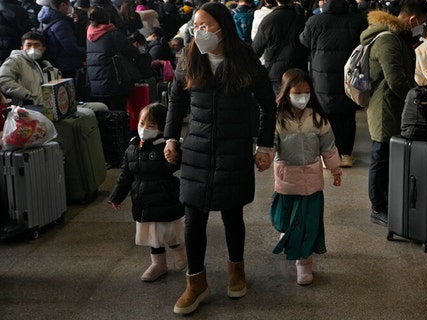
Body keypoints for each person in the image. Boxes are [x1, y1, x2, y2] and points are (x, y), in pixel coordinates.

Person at [162, 2, 276, 315]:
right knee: (194, 217)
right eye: (196, 25)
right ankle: (195, 282)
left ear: (223, 27)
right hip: (196, 148)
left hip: (234, 147)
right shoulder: (189, 56)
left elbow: (269, 104)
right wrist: (170, 138)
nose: (199, 32)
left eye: (206, 25)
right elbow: (176, 101)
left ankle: (236, 269)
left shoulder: (244, 57)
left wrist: (265, 146)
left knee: (231, 214)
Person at [270, 68, 342, 285]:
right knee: (283, 219)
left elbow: (328, 147)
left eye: (307, 92)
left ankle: (304, 264)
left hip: (311, 182)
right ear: (286, 92)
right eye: (297, 92)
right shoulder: (278, 119)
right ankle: (287, 233)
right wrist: (263, 157)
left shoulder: (318, 119)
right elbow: (270, 145)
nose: (302, 97)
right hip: (286, 180)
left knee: (307, 226)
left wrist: (336, 170)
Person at [361, 0, 427, 226]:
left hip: (394, 106)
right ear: (413, 20)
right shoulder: (389, 39)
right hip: (384, 108)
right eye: (422, 23)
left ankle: (386, 202)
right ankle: (377, 207)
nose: (421, 27)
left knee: (387, 157)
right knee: (379, 157)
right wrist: (416, 100)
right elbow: (396, 80)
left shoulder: (397, 37)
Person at [108, 103, 187, 282]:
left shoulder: (164, 147)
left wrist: (174, 157)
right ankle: (158, 264)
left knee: (170, 231)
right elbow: (125, 175)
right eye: (142, 123)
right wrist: (117, 196)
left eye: (150, 126)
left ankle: (179, 251)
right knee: (152, 235)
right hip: (143, 201)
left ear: (161, 128)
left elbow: (174, 164)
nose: (144, 129)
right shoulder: (132, 148)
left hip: (165, 199)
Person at [299, 0, 367, 168]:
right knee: (347, 115)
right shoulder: (357, 20)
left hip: (322, 75)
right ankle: (346, 155)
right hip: (348, 75)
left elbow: (304, 42)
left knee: (325, 115)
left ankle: (327, 155)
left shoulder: (314, 21)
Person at [86, 6, 139, 111]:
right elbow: (132, 53)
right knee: (118, 115)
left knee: (104, 114)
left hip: (96, 83)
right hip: (114, 82)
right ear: (108, 19)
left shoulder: (89, 35)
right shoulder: (113, 34)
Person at [252, 0, 308, 94]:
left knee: (278, 105)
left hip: (275, 73)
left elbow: (256, 50)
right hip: (299, 72)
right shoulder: (302, 20)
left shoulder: (268, 20)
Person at [0, 31, 59, 106]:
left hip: (47, 106)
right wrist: (28, 95)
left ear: (43, 49)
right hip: (25, 108)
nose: (33, 48)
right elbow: (3, 79)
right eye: (29, 45)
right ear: (22, 48)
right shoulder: (15, 61)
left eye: (37, 45)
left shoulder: (47, 66)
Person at [37, 0, 85, 80]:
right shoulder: (61, 24)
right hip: (67, 64)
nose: (70, 7)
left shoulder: (46, 17)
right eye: (68, 4)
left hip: (55, 63)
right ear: (63, 5)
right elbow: (71, 47)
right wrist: (87, 52)